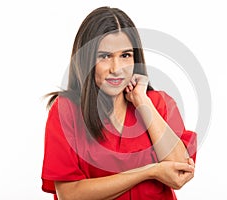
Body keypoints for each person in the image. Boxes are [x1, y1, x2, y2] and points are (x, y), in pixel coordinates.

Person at [41, 6, 197, 200]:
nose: (117, 69)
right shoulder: (66, 111)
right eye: (105, 56)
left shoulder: (157, 103)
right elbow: (70, 194)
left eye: (125, 55)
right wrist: (149, 172)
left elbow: (180, 169)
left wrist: (142, 101)